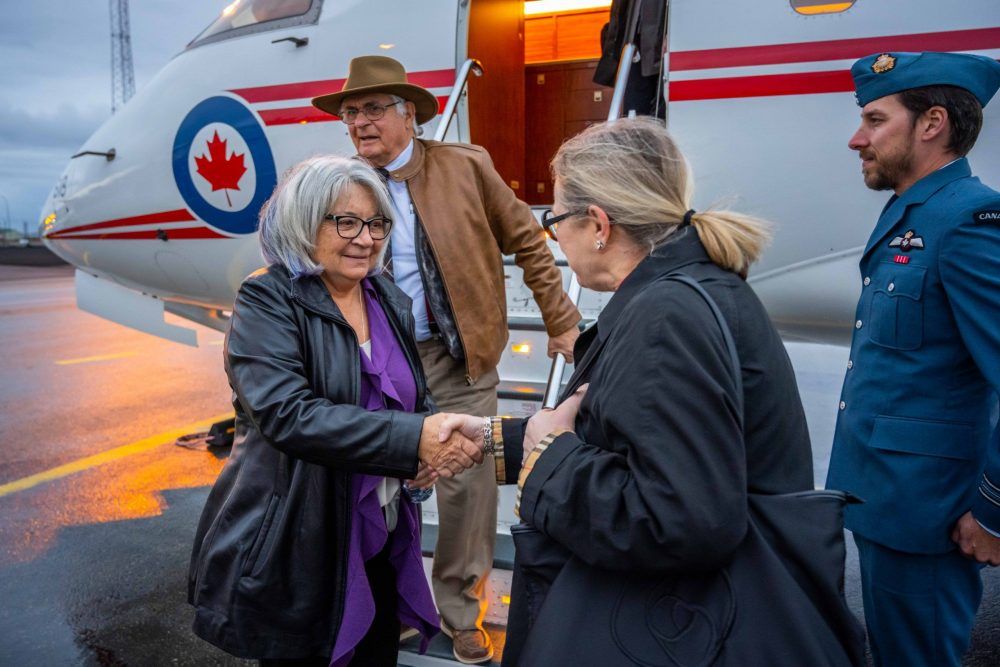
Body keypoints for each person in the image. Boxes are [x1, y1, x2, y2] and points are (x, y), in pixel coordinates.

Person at [441, 117, 816, 664]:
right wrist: (493, 438)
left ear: (597, 223)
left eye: (555, 218)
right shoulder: (689, 288)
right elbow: (628, 440)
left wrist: (551, 458)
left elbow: (683, 519)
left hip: (670, 628)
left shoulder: (666, 315)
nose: (553, 235)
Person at [311, 55, 581, 664]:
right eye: (351, 113)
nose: (360, 123)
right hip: (378, 358)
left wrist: (562, 321)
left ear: (410, 114)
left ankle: (460, 612)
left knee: (466, 485)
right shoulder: (341, 183)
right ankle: (380, 605)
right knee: (376, 483)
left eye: (374, 109)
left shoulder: (466, 166)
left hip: (459, 356)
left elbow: (530, 245)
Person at [187, 155, 486, 666]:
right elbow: (288, 414)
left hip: (382, 526)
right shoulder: (269, 298)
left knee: (375, 653)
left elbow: (411, 391)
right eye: (346, 221)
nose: (366, 238)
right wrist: (414, 438)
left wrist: (429, 454)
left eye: (376, 223)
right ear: (303, 221)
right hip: (305, 539)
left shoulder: (388, 296)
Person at [825, 51, 1000, 666]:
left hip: (930, 513)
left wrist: (994, 512)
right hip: (890, 504)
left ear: (932, 124)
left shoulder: (968, 220)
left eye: (874, 120)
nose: (857, 138)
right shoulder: (914, 212)